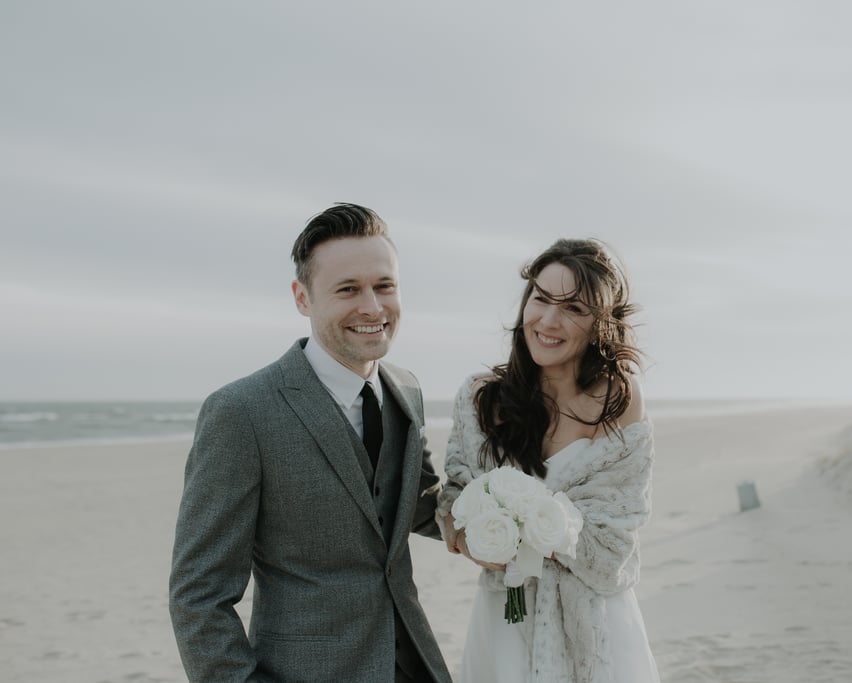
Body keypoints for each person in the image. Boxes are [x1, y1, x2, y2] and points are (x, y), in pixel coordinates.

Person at [169, 203, 452, 683]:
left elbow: (414, 504)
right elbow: (198, 597)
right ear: (302, 298)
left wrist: (505, 515)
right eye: (348, 289)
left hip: (415, 665)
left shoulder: (407, 390)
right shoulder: (241, 412)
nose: (372, 307)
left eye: (384, 286)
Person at [438, 238, 661, 682]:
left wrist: (543, 525)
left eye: (574, 308)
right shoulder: (480, 398)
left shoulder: (616, 400)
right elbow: (453, 499)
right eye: (541, 299)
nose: (548, 321)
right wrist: (476, 538)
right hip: (505, 613)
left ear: (600, 323)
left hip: (594, 619)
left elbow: (615, 537)